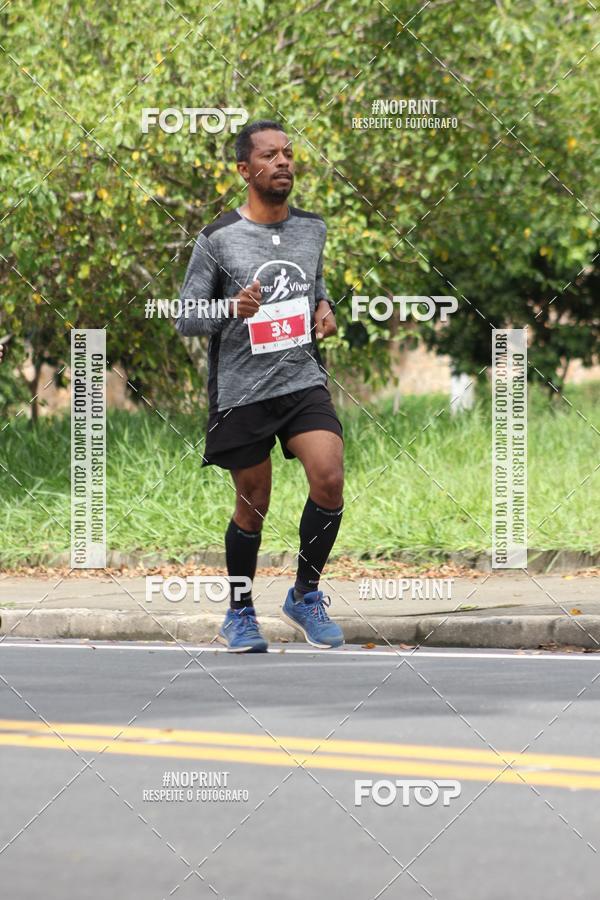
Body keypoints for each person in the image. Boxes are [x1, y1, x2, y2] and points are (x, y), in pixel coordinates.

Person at [176, 119, 345, 652]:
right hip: (242, 392)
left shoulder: (312, 228)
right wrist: (230, 308)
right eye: (270, 155)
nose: (284, 162)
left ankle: (305, 595)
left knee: (329, 478)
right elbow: (185, 316)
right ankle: (240, 612)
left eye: (288, 153)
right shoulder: (218, 237)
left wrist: (326, 308)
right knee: (254, 503)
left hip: (301, 379)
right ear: (245, 170)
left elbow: (315, 287)